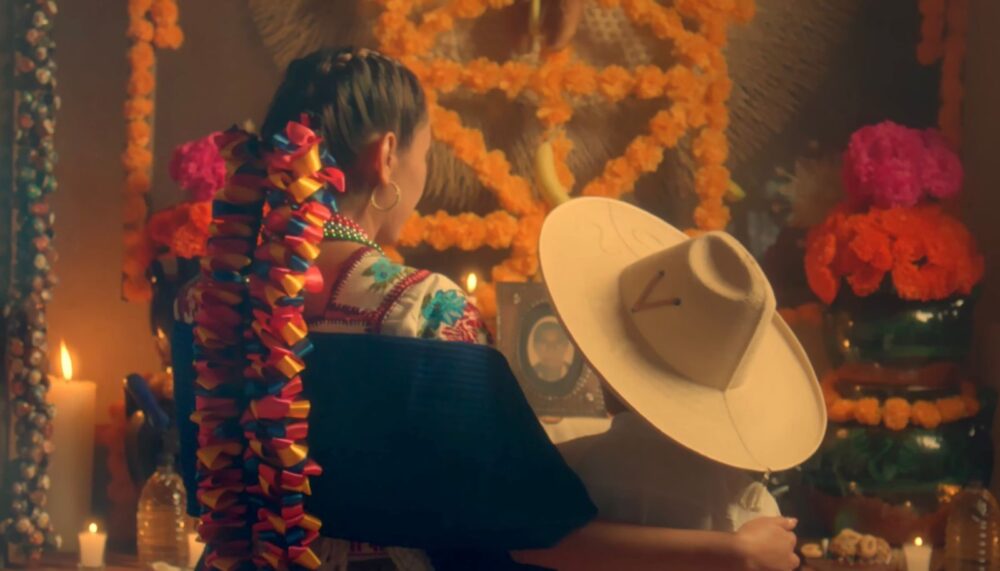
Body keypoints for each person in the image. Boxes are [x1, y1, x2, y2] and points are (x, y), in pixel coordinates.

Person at [176, 47, 802, 571]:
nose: (423, 174)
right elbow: (534, 531)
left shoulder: (212, 301)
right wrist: (736, 552)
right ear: (387, 155)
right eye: (426, 153)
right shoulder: (423, 308)